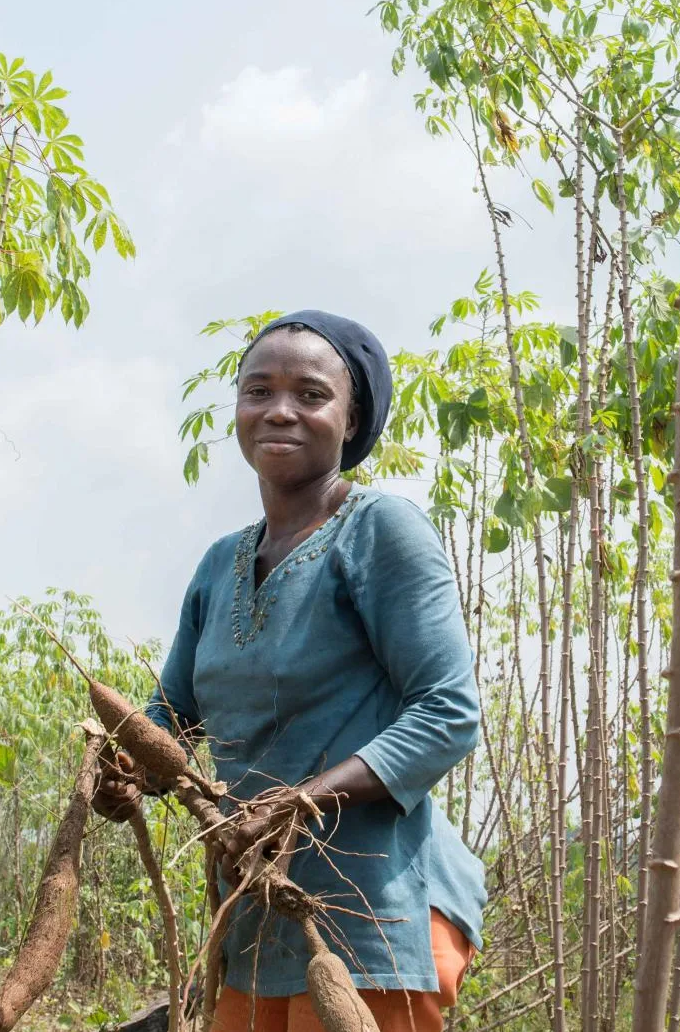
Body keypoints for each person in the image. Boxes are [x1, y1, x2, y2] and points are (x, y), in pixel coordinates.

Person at [93, 310, 485, 1032]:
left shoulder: (380, 531)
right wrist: (126, 771)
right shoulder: (219, 566)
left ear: (352, 416)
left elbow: (448, 712)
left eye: (310, 394)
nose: (280, 410)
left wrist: (305, 799)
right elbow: (172, 717)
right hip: (251, 913)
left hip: (371, 915)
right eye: (258, 390)